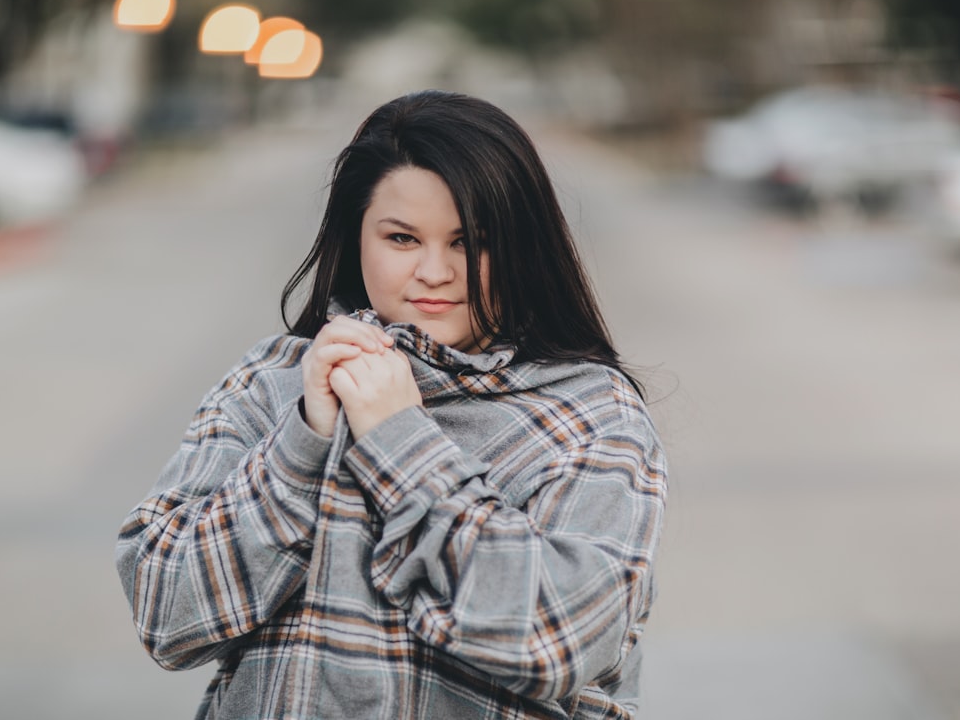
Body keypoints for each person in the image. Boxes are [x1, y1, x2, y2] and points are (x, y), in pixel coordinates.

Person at [116, 90, 668, 720]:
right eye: (403, 238)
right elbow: (166, 617)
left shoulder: (590, 412)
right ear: (357, 239)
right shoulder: (274, 381)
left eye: (471, 242)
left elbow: (563, 640)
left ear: (521, 247)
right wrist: (301, 445)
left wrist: (401, 442)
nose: (435, 272)